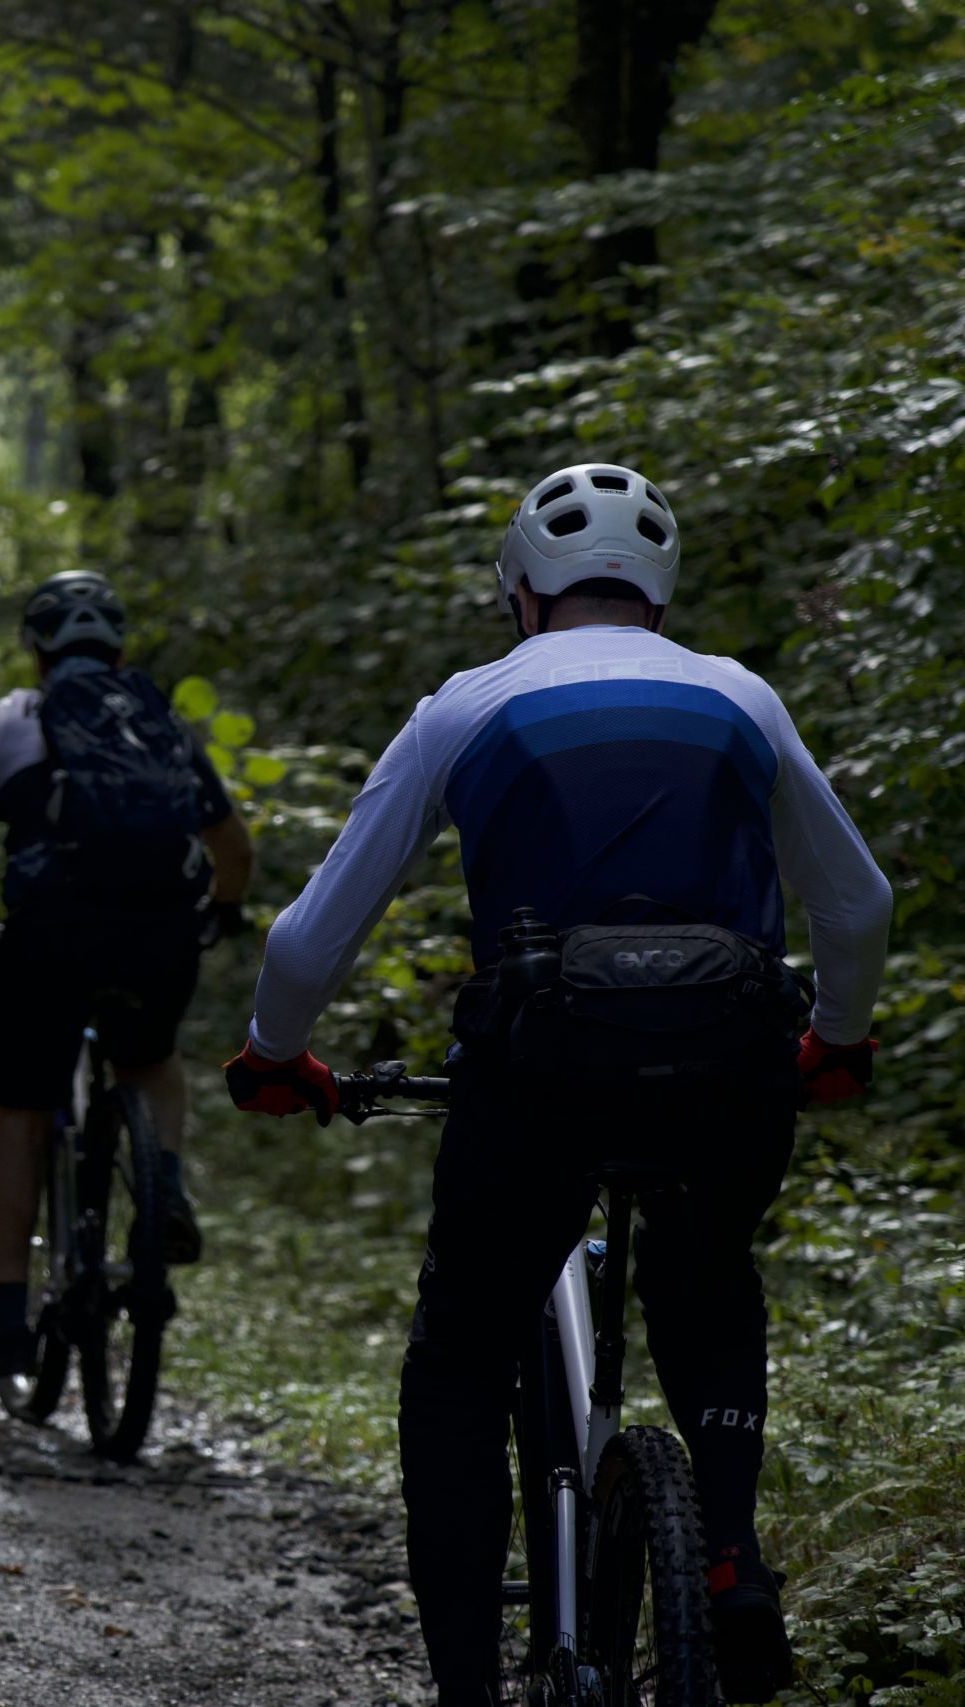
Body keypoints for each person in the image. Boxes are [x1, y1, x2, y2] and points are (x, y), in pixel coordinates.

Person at [223, 464, 892, 1707]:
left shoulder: (462, 708)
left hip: (541, 1064)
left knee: (463, 1359)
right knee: (705, 1271)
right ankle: (730, 1557)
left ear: (521, 593)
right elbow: (855, 903)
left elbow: (306, 944)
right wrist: (837, 1040)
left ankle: (469, 1685)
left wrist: (274, 1055)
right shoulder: (743, 696)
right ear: (658, 590)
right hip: (729, 1050)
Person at [0, 570, 254, 1378]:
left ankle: (9, 1318)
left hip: (50, 936)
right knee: (150, 1059)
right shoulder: (162, 722)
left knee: (17, 1113)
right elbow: (234, 850)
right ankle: (162, 1187)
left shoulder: (8, 718)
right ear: (119, 648)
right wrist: (220, 912)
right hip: (160, 934)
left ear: (37, 649)